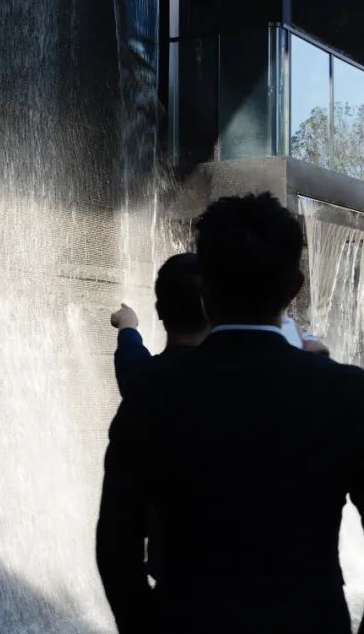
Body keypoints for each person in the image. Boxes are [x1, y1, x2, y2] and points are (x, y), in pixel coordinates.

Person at [96, 193, 364, 634]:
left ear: (205, 288)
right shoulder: (347, 393)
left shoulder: (151, 394)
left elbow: (115, 547)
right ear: (295, 286)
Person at [110, 253, 209, 397]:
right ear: (212, 309)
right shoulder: (232, 375)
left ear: (159, 310)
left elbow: (131, 357)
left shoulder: (143, 380)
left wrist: (127, 323)